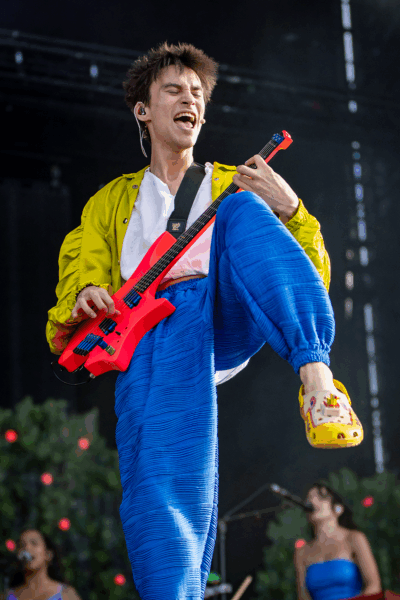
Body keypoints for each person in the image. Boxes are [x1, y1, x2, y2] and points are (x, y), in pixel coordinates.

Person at [46, 42, 363, 599]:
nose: (189, 99)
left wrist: (293, 212)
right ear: (143, 110)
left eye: (197, 93)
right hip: (153, 335)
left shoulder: (231, 182)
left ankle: (318, 380)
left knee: (243, 207)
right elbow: (83, 265)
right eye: (173, 89)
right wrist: (87, 292)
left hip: (223, 306)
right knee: (159, 484)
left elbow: (303, 270)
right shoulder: (111, 201)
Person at [294, 484, 381, 600]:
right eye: (309, 498)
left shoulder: (354, 538)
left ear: (338, 509)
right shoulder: (302, 552)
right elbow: (303, 597)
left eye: (321, 497)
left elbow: (374, 586)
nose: (312, 501)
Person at [2, 529, 81, 600]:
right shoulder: (6, 596)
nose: (27, 548)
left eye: (34, 543)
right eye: (22, 545)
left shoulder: (67, 594)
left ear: (48, 555)